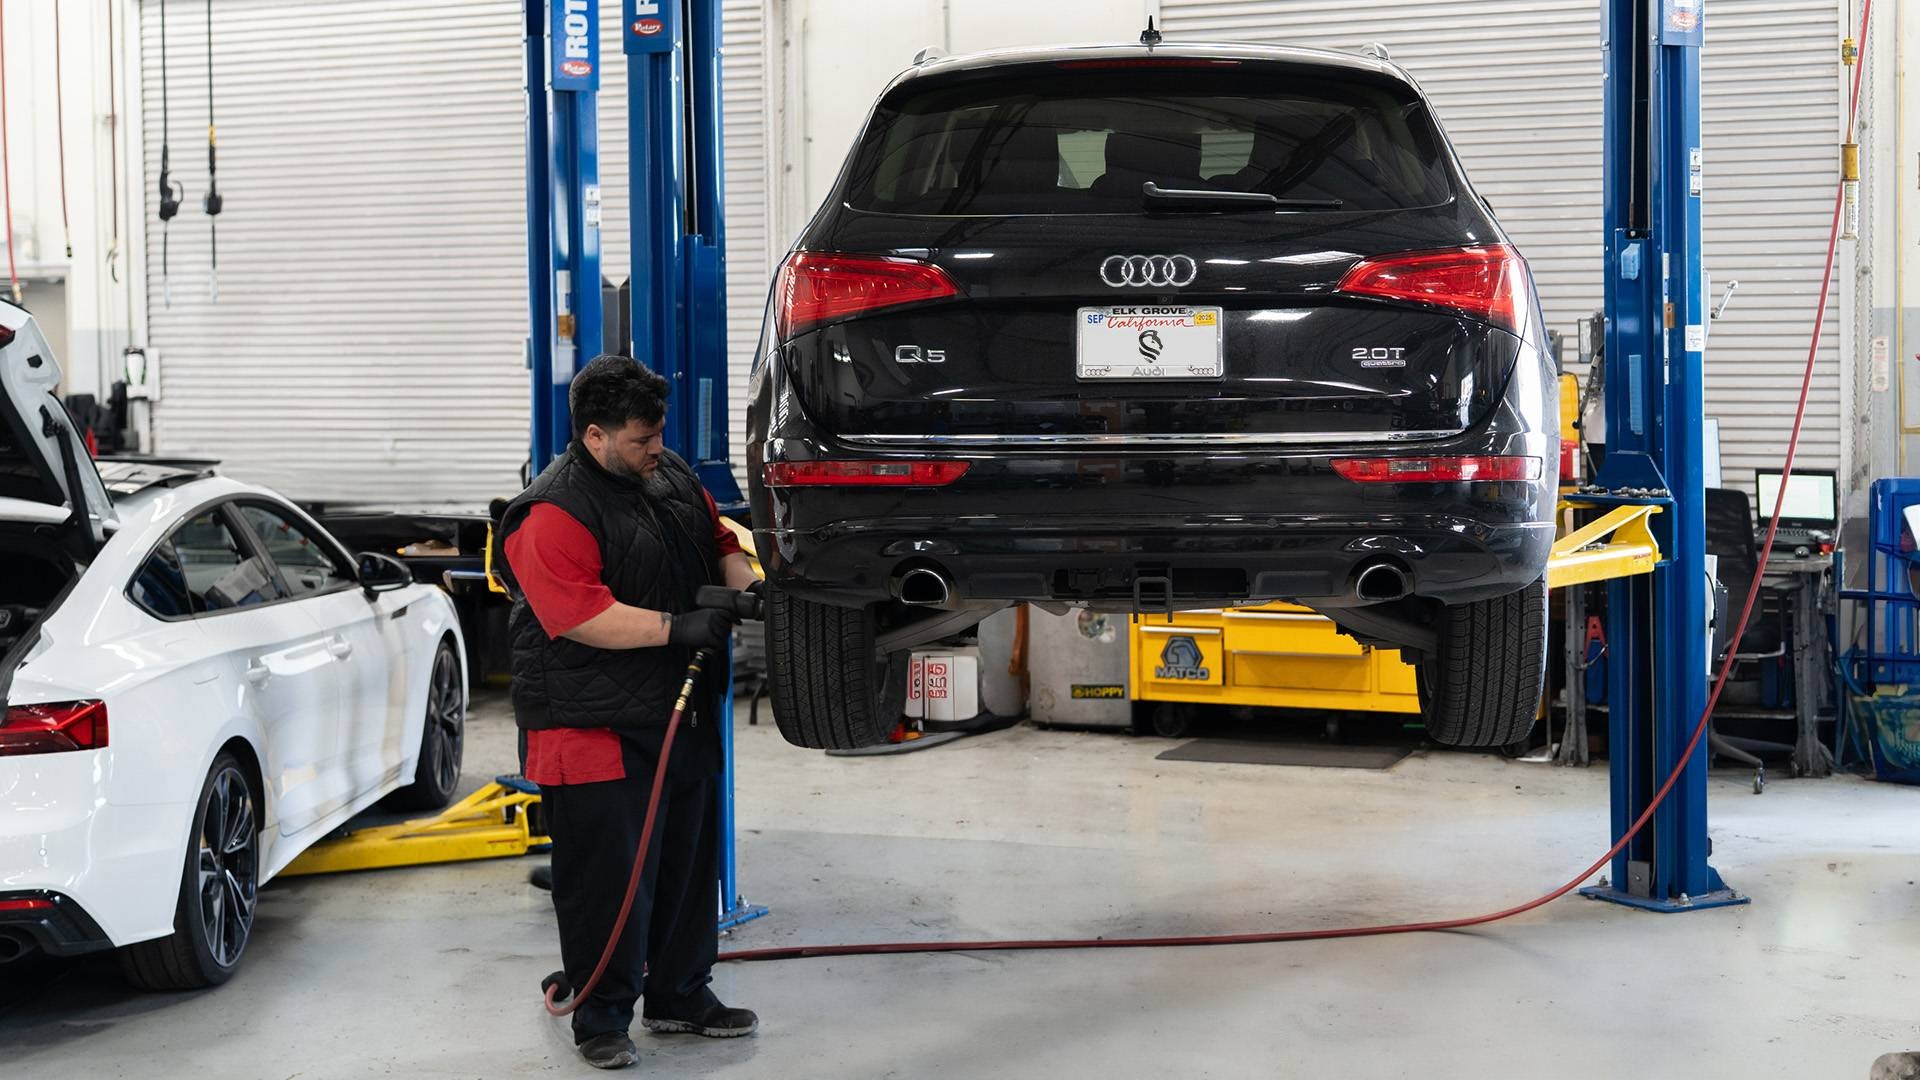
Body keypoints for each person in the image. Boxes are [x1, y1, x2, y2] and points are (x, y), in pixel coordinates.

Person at [498, 355, 762, 1070]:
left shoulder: (666, 471)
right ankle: (602, 1017)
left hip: (677, 709)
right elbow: (578, 615)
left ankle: (680, 994)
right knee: (606, 880)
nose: (656, 449)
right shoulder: (552, 512)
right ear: (594, 436)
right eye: (641, 440)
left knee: (685, 859)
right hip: (590, 723)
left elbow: (717, 539)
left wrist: (743, 585)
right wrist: (678, 629)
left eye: (658, 434)